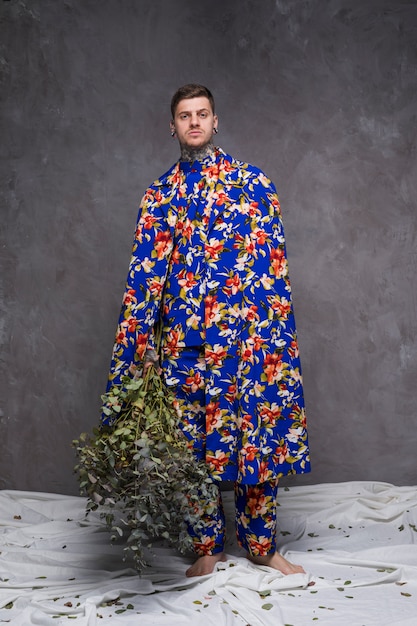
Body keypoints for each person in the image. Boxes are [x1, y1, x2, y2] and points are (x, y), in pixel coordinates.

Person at [104, 84, 311, 577]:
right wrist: (142, 348)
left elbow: (274, 274)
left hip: (247, 344)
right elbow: (143, 278)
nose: (193, 122)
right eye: (184, 115)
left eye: (202, 114)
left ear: (216, 121)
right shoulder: (158, 196)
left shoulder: (255, 185)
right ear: (171, 126)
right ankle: (207, 547)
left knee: (257, 439)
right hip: (184, 346)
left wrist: (273, 345)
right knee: (190, 449)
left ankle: (261, 545)